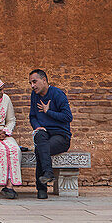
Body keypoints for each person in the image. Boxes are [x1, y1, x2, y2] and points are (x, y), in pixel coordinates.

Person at [29, 69, 72, 199]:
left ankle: (41, 189)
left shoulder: (58, 94)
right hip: (44, 133)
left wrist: (48, 112)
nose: (32, 86)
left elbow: (67, 117)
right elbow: (32, 116)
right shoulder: (34, 95)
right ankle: (48, 173)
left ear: (44, 80)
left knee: (40, 148)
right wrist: (37, 127)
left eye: (35, 82)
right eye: (30, 83)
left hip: (61, 136)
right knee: (40, 137)